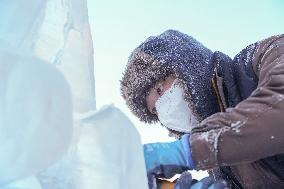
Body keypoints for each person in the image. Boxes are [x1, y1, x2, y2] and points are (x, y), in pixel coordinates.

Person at [120, 30, 284, 188]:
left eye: (160, 90)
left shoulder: (263, 57)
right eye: (155, 110)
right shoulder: (217, 168)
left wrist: (192, 149)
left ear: (186, 66)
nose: (163, 109)